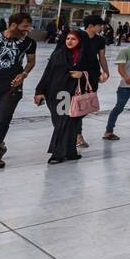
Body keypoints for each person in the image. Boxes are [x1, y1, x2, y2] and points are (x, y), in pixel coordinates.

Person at [0, 12, 36, 169]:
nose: (27, 30)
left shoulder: (29, 43)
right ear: (13, 24)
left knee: (3, 118)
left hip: (12, 86)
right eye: (25, 26)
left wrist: (24, 74)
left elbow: (31, 61)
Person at [33, 30, 87, 163]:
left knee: (65, 123)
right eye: (68, 38)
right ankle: (69, 152)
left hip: (73, 94)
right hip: (55, 93)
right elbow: (48, 73)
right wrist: (39, 91)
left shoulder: (85, 56)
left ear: (80, 41)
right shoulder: (58, 54)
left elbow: (95, 72)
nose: (69, 41)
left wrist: (83, 74)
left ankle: (58, 154)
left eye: (73, 39)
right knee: (62, 123)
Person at [74, 15, 110, 150]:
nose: (101, 28)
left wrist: (106, 71)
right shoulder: (77, 35)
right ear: (90, 26)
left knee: (87, 103)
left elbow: (102, 57)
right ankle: (77, 134)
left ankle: (74, 130)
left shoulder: (100, 40)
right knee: (77, 103)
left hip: (92, 75)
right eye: (99, 25)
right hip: (77, 74)